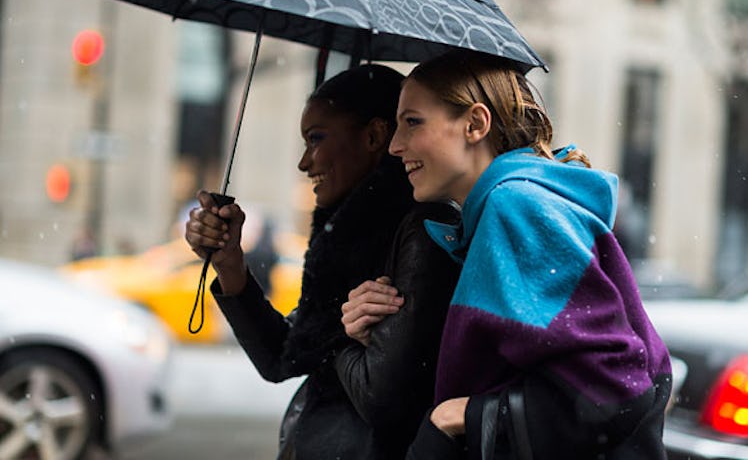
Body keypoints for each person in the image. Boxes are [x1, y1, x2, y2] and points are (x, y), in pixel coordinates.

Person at [345, 49, 672, 459]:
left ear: (475, 123)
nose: (395, 145)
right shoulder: (499, 212)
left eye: (412, 122)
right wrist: (381, 335)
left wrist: (458, 416)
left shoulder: (516, 207)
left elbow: (613, 386)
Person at [184, 64, 460, 460]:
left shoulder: (420, 232)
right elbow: (283, 355)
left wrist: (345, 336)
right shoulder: (344, 239)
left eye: (316, 139)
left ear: (374, 136)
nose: (304, 163)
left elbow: (386, 401)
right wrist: (230, 263)